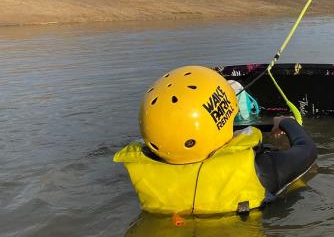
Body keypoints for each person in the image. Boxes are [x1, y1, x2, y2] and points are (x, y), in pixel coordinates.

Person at [114, 65, 317, 215]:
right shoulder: (261, 170)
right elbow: (307, 149)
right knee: (301, 182)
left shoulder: (146, 175)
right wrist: (287, 122)